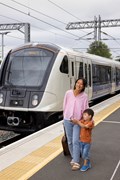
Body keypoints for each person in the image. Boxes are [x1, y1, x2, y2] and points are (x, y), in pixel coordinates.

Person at [63, 78, 89, 170]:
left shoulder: (84, 96)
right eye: (78, 83)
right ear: (75, 84)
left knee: (75, 141)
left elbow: (86, 109)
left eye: (81, 84)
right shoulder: (68, 93)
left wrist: (83, 121)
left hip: (78, 122)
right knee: (69, 141)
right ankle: (74, 158)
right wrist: (64, 117)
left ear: (83, 87)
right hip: (67, 120)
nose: (79, 85)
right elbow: (64, 106)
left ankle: (76, 162)